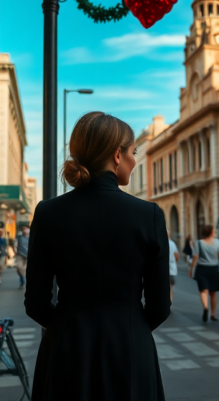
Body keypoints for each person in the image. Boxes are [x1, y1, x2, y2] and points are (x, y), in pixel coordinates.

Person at [25, 112, 170, 401]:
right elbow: (159, 306)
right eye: (133, 152)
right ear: (118, 155)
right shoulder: (148, 215)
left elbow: (36, 303)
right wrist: (129, 325)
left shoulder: (48, 213)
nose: (134, 160)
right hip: (130, 349)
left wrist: (66, 325)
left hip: (66, 348)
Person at [189, 225, 219, 322]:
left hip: (202, 269)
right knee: (213, 293)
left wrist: (191, 269)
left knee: (203, 291)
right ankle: (213, 314)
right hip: (214, 269)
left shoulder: (199, 243)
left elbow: (196, 257)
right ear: (211, 232)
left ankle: (206, 307)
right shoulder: (217, 242)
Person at [167, 230, 179, 302]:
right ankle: (170, 300)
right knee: (171, 286)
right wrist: (175, 262)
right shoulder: (172, 243)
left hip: (161, 269)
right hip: (171, 269)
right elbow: (176, 255)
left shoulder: (158, 242)